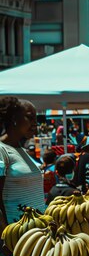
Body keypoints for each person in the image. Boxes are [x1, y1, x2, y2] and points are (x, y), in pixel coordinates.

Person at [0, 97, 46, 228]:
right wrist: (5, 238)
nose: (35, 123)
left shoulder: (21, 150)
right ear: (14, 119)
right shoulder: (2, 150)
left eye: (36, 119)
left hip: (37, 231)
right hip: (18, 235)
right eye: (30, 118)